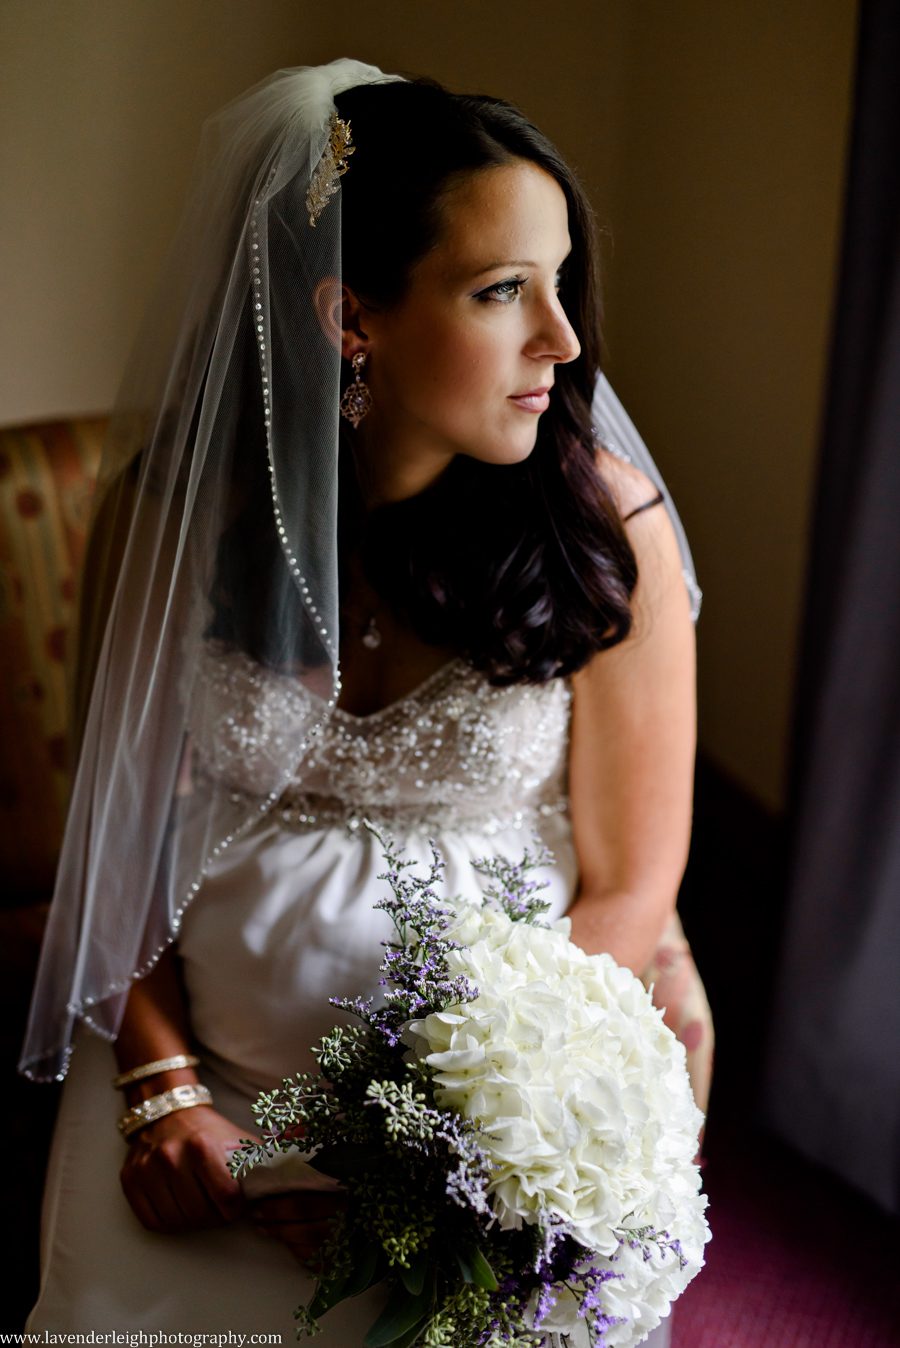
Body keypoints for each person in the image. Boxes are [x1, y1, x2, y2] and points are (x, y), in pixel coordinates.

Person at [22, 60, 711, 1344]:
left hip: (488, 1118)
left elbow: (628, 887)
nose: (563, 340)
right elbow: (113, 844)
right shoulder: (174, 515)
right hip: (199, 1078)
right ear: (354, 319)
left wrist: (433, 1156)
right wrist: (164, 1090)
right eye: (503, 291)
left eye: (561, 281)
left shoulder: (605, 524)